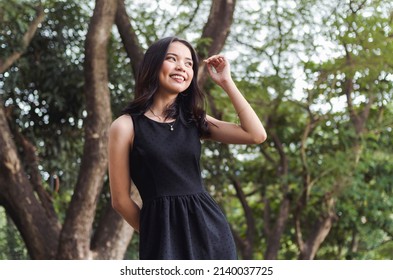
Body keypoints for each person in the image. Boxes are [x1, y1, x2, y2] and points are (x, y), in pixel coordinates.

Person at [108, 36, 266, 260]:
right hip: (163, 241)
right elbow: (120, 201)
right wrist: (158, 232)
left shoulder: (193, 119)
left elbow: (256, 134)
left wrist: (226, 82)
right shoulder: (125, 126)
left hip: (211, 232)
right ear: (153, 65)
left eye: (189, 63)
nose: (181, 66)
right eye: (172, 59)